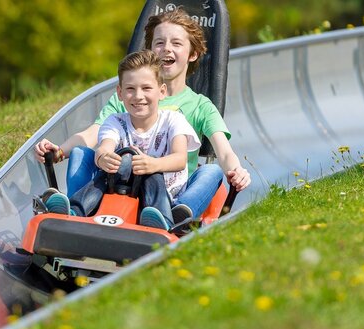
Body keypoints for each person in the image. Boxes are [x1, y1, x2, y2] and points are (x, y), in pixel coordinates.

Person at [34, 8, 250, 224]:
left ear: (192, 54)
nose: (166, 49)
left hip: (171, 185)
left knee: (212, 171)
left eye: (176, 43)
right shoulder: (129, 97)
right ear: (150, 50)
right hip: (121, 180)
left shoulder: (200, 106)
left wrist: (236, 170)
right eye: (159, 43)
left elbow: (224, 152)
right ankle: (74, 210)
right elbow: (95, 132)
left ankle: (175, 214)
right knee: (82, 152)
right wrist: (61, 151)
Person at [44, 50, 200, 230]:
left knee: (148, 169)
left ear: (161, 91)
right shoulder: (115, 121)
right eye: (130, 89)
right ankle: (74, 211)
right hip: (121, 190)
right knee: (113, 167)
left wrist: (152, 164)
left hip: (163, 194)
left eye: (146, 88)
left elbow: (180, 159)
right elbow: (105, 147)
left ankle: (162, 219)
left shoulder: (174, 120)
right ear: (120, 93)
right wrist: (103, 158)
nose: (138, 96)